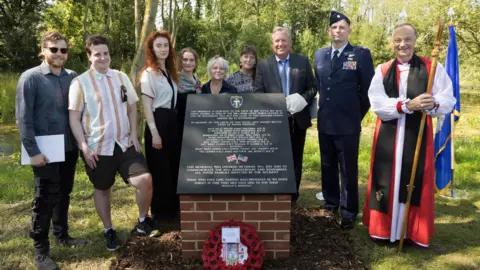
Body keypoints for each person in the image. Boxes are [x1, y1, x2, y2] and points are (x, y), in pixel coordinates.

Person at [362, 23, 456, 247]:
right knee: (387, 181)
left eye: (407, 39)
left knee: (414, 181)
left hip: (417, 136)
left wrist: (434, 102)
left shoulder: (431, 67)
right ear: (392, 42)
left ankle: (410, 233)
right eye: (397, 40)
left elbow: (448, 98)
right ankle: (383, 231)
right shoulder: (383, 70)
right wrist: (407, 105)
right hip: (389, 135)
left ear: (415, 40)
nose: (402, 44)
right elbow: (377, 103)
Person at [69, 35, 157, 252]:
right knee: (103, 189)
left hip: (124, 143)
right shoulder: (79, 83)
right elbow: (73, 118)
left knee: (145, 180)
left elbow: (131, 107)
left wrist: (134, 135)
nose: (102, 57)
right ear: (89, 56)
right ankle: (109, 230)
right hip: (98, 148)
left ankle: (142, 221)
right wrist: (84, 146)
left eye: (105, 53)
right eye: (97, 54)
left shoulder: (120, 77)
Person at [15, 30, 87, 270]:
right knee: (44, 198)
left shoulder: (72, 77)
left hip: (68, 147)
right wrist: (33, 151)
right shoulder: (30, 78)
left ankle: (62, 235)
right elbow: (23, 119)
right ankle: (41, 251)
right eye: (54, 49)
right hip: (44, 150)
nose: (59, 54)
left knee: (63, 194)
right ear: (43, 50)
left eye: (63, 50)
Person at [313, 11, 374, 229]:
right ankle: (331, 204)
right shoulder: (319, 55)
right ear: (329, 31)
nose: (338, 31)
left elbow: (368, 91)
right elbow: (320, 85)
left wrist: (355, 115)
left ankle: (349, 212)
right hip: (325, 122)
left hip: (348, 124)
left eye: (342, 27)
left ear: (349, 31)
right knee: (327, 165)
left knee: (348, 169)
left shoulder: (360, 54)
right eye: (334, 27)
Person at [254, 27, 317, 207]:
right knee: (274, 158)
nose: (280, 44)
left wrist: (301, 99)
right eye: (277, 41)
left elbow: (312, 88)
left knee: (295, 158)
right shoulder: (264, 65)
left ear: (290, 42)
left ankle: (292, 196)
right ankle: (274, 191)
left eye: (283, 40)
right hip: (273, 121)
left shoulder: (302, 61)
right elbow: (257, 92)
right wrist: (276, 105)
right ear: (272, 44)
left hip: (297, 119)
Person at [140, 30, 181, 221]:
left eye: (166, 45)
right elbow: (147, 107)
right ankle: (160, 212)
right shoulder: (149, 74)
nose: (163, 49)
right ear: (152, 49)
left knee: (172, 165)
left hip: (172, 122)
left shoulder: (170, 72)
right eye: (159, 46)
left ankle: (172, 209)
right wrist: (155, 133)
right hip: (158, 121)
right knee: (160, 168)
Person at [177, 47, 202, 144]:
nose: (188, 63)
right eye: (185, 60)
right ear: (180, 61)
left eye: (192, 60)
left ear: (195, 63)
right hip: (179, 126)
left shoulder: (198, 82)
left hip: (195, 127)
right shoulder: (175, 80)